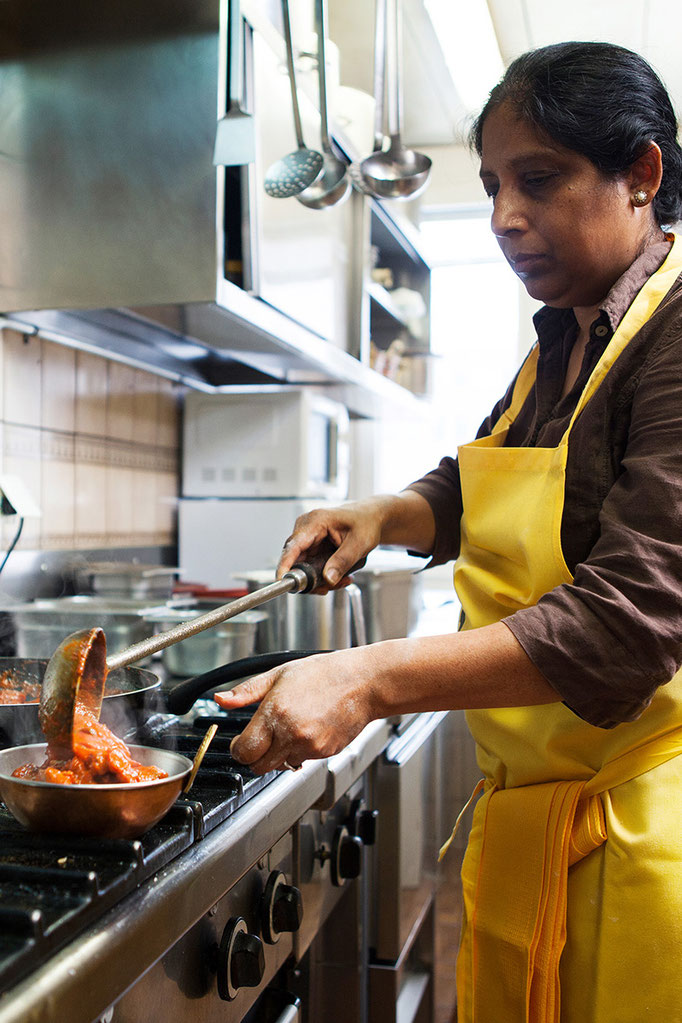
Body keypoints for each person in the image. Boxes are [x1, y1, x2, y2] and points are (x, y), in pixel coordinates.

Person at [215, 41, 682, 1023]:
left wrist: (369, 676)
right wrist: (383, 515)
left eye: (539, 180)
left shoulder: (670, 336)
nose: (506, 217)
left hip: (647, 831)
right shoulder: (569, 330)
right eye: (493, 186)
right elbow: (478, 475)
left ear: (640, 175)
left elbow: (624, 624)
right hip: (543, 804)